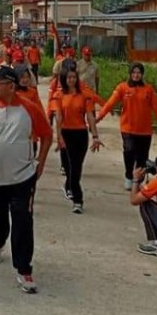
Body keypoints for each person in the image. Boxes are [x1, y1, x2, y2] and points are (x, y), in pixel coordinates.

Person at [0, 67, 52, 292]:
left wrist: (39, 163)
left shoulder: (29, 109)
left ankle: (24, 269)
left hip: (23, 178)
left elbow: (47, 135)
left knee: (22, 219)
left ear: (11, 86)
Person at [96, 62, 157, 190]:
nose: (136, 75)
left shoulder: (149, 90)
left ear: (142, 75)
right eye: (134, 73)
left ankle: (138, 180)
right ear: (130, 74)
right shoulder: (122, 88)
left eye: (139, 73)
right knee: (129, 151)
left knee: (141, 158)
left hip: (144, 131)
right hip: (128, 129)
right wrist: (99, 117)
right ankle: (129, 176)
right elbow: (109, 104)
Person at [52, 65, 101, 213]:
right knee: (69, 167)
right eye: (69, 78)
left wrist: (95, 136)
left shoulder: (84, 95)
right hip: (66, 133)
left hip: (80, 134)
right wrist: (58, 136)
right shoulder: (59, 96)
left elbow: (90, 117)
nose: (72, 80)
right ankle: (71, 187)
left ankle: (77, 200)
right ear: (64, 79)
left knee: (76, 167)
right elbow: (58, 117)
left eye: (74, 77)